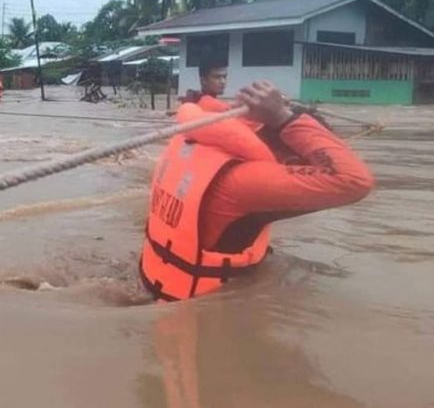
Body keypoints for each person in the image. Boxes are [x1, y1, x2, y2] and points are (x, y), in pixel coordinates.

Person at [140, 80, 375, 302]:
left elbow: (216, 111)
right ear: (292, 159)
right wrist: (283, 117)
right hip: (206, 310)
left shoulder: (201, 145)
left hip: (156, 283)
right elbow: (353, 180)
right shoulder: (246, 183)